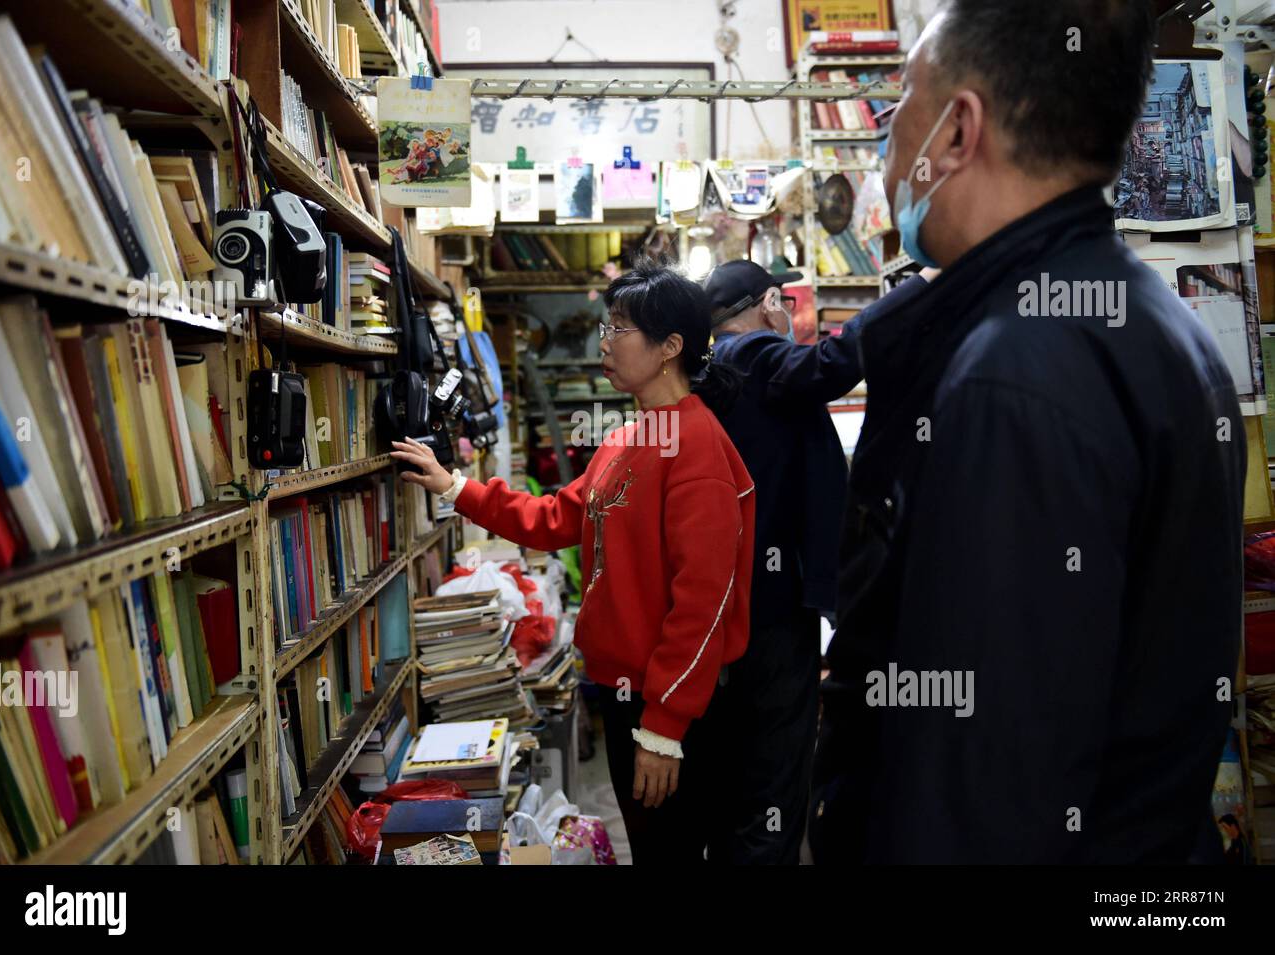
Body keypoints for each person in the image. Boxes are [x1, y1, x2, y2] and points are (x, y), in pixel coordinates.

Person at [811, 0, 1246, 864]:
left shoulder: (1015, 374)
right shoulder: (1161, 324)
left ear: (959, 131)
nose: (889, 141)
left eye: (902, 102)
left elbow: (982, 795)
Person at [393, 260, 755, 865]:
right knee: (651, 847)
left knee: (671, 852)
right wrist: (456, 487)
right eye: (605, 327)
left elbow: (704, 602)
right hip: (623, 693)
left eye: (619, 330)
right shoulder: (629, 437)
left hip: (665, 704)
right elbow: (556, 517)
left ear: (671, 347)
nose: (604, 343)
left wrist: (664, 728)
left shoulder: (697, 447)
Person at [699, 259, 931, 864]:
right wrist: (922, 287)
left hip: (732, 603)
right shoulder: (752, 355)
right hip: (771, 613)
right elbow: (837, 361)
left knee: (739, 786)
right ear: (769, 302)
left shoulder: (714, 368)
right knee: (775, 783)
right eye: (782, 301)